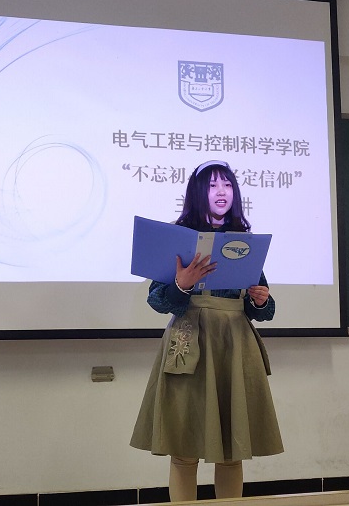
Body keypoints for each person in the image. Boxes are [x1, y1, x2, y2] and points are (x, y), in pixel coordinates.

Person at [130, 160, 283, 502]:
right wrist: (181, 285)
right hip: (190, 343)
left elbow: (263, 308)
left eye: (227, 185)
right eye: (213, 185)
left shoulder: (243, 240)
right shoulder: (179, 237)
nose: (221, 192)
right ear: (199, 192)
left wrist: (260, 300)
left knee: (231, 452)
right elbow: (157, 300)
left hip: (234, 343)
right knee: (183, 450)